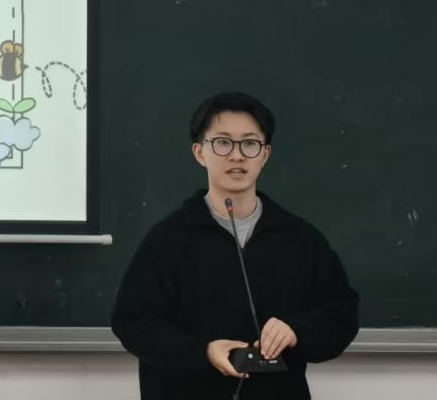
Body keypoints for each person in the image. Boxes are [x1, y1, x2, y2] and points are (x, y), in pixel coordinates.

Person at [111, 92, 359, 399]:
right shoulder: (167, 240)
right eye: (223, 142)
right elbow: (134, 323)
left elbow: (340, 315)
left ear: (265, 154)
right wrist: (203, 351)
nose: (237, 155)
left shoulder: (300, 239)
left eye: (249, 144)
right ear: (199, 152)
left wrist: (297, 331)